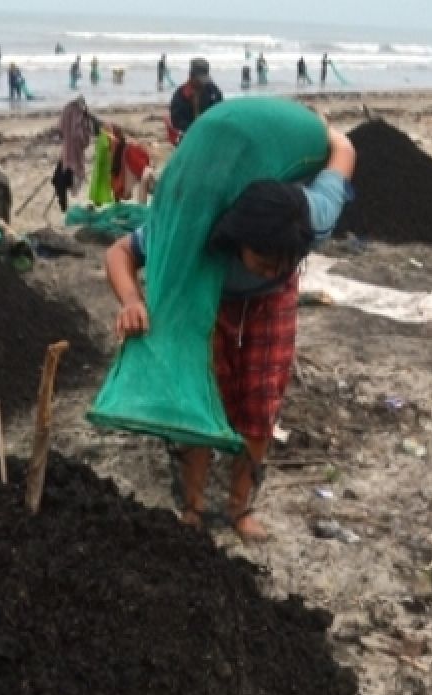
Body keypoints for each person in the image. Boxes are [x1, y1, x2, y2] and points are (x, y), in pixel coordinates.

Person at [103, 101, 357, 541]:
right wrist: (130, 300)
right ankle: (193, 506)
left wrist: (325, 131)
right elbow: (119, 252)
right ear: (236, 237)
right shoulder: (194, 224)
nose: (269, 266)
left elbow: (344, 152)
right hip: (210, 291)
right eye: (261, 260)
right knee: (203, 393)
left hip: (271, 303)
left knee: (260, 402)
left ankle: (241, 509)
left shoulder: (312, 216)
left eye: (283, 260)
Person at [169, 58, 223, 137]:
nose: (202, 83)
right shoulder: (181, 94)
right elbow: (176, 120)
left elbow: (220, 111)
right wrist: (193, 129)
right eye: (199, 80)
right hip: (188, 134)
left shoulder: (213, 91)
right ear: (191, 76)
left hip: (210, 131)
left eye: (204, 80)